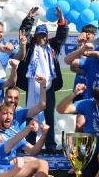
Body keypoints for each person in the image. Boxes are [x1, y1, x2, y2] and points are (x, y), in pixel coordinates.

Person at [17, 9, 68, 152]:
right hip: (32, 86)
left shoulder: (53, 48)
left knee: (49, 115)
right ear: (35, 36)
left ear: (47, 36)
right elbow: (23, 33)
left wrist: (61, 19)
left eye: (44, 35)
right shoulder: (29, 47)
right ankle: (30, 142)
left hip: (48, 87)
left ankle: (50, 144)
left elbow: (62, 35)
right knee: (31, 114)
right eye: (39, 35)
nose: (42, 38)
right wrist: (29, 19)